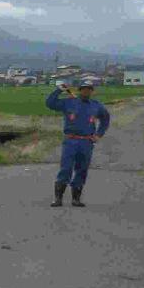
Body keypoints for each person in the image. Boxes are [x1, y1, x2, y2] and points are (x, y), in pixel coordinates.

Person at [46, 77, 110, 207]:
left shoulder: (96, 105)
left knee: (82, 169)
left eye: (89, 89)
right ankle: (58, 199)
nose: (86, 91)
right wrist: (59, 90)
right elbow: (50, 103)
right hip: (71, 141)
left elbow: (105, 119)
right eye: (84, 89)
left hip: (86, 142)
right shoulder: (69, 102)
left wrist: (99, 134)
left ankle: (76, 199)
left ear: (92, 91)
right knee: (66, 168)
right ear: (80, 90)